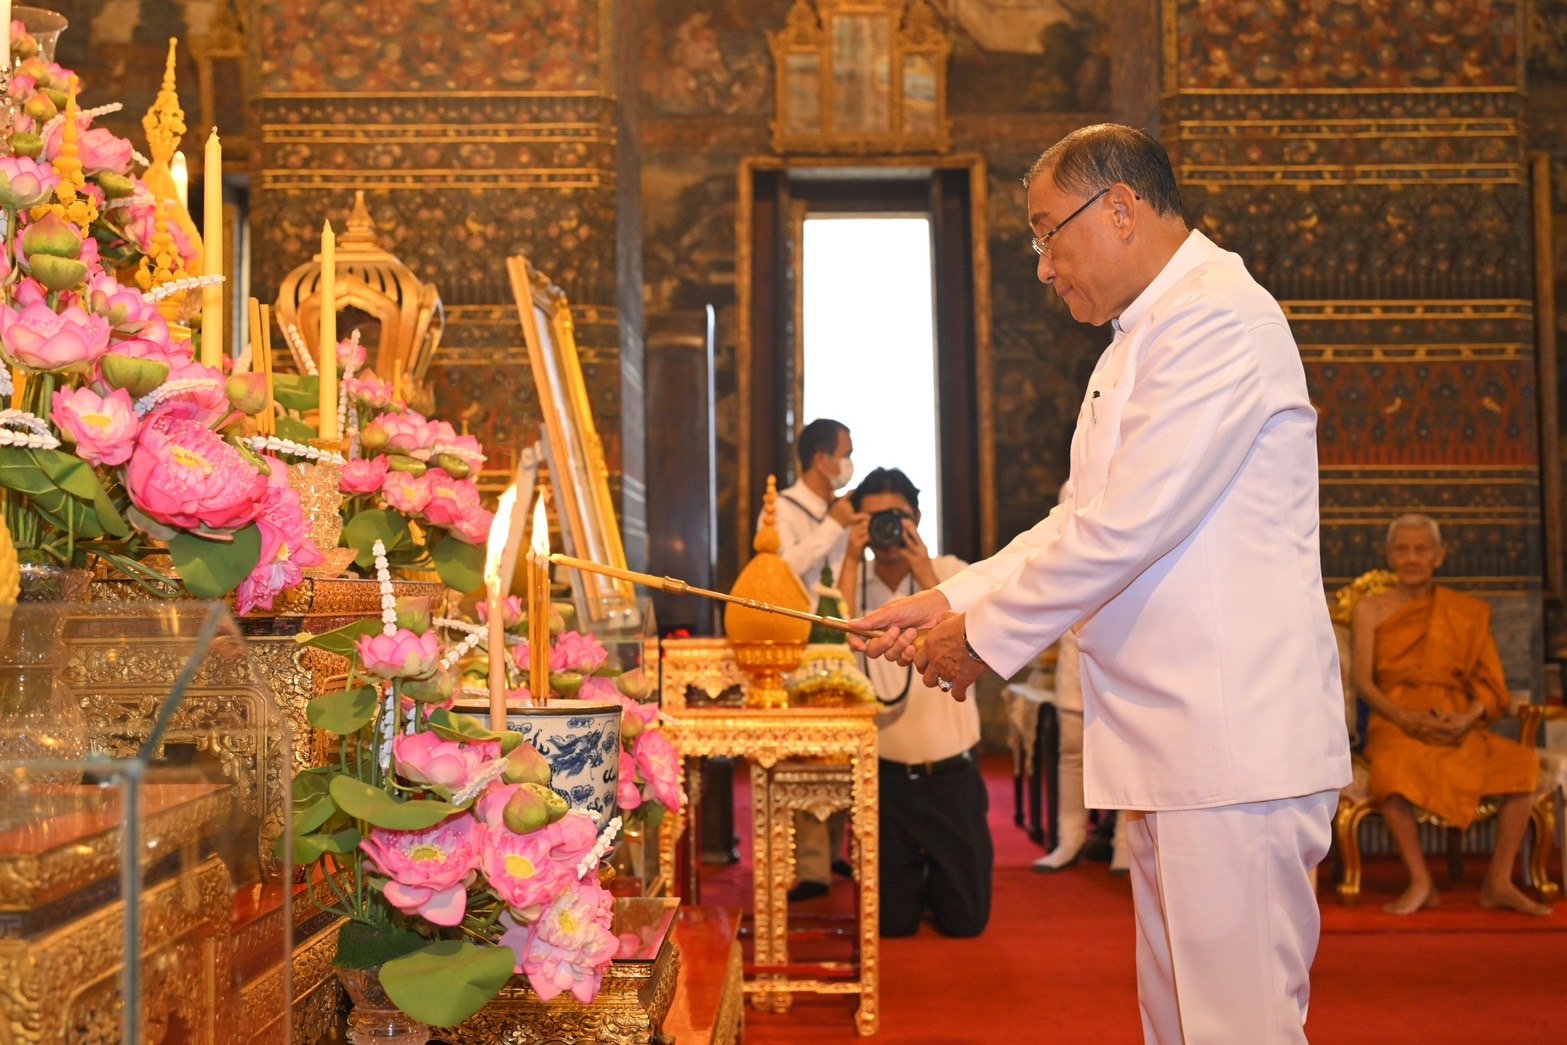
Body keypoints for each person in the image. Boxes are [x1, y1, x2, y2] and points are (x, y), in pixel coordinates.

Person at [853, 124, 1351, 1043]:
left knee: (1233, 1027)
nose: (1043, 265)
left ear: (1119, 209)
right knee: (1178, 1025)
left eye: (1048, 233)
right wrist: (949, 598)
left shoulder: (1217, 320)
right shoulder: (1137, 337)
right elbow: (1077, 517)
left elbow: (1131, 526)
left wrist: (981, 638)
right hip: (1179, 741)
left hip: (1229, 741)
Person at [1350, 513, 1551, 917]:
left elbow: (1490, 686)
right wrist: (1403, 718)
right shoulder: (1369, 610)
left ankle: (1498, 881)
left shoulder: (1465, 614)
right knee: (1391, 770)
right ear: (1389, 555)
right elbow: (1364, 683)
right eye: (1403, 549)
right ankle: (1420, 881)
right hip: (1394, 722)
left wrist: (1466, 719)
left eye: (1421, 550)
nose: (1412, 558)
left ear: (1439, 557)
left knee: (1522, 765)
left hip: (1455, 722)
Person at [838, 467, 992, 936]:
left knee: (966, 922)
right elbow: (831, 637)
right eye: (874, 520)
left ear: (918, 518)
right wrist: (848, 557)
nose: (886, 531)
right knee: (892, 924)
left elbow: (975, 630)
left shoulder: (951, 572)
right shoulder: (853, 579)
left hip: (951, 774)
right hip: (884, 778)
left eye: (897, 518)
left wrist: (928, 578)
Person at [761, 417, 861, 902]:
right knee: (804, 748)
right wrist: (832, 530)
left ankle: (836, 847)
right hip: (798, 642)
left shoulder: (835, 509)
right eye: (845, 451)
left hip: (838, 639)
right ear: (822, 460)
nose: (848, 461)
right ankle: (812, 865)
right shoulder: (785, 507)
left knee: (840, 746)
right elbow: (783, 568)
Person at [1032, 628, 1130, 875]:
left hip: (1119, 660)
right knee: (1072, 754)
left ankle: (1123, 843)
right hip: (1072, 663)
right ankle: (1069, 841)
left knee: (1124, 756)